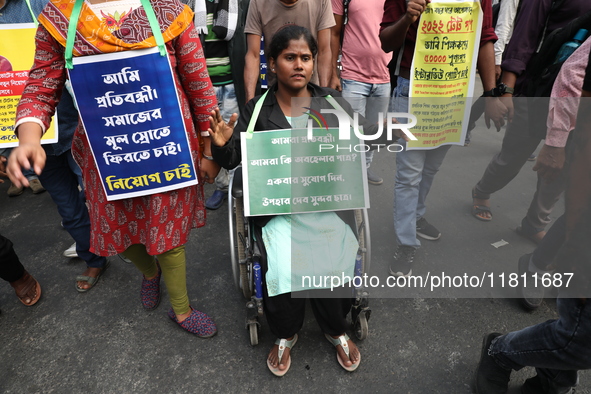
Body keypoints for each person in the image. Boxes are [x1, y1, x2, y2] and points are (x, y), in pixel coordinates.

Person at [8, 0, 219, 336]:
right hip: (105, 157)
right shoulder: (60, 17)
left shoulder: (170, 9)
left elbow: (198, 83)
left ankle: (181, 310)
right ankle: (150, 273)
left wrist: (211, 148)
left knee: (168, 238)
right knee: (119, 235)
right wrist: (29, 138)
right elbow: (39, 87)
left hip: (167, 147)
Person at [210, 26, 404, 375]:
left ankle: (334, 329)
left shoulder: (332, 103)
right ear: (272, 64)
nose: (299, 65)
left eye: (306, 57)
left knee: (336, 255)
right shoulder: (256, 111)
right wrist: (223, 145)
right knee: (283, 264)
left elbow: (362, 138)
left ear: (314, 62)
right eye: (290, 57)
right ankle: (286, 333)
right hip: (279, 213)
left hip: (327, 208)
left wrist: (387, 129)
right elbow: (232, 161)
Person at [473, 45, 591, 394]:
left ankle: (554, 373)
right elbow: (561, 66)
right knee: (578, 336)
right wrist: (502, 90)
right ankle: (503, 352)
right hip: (535, 99)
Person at [380, 0, 505, 277]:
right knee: (409, 173)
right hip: (411, 87)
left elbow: (485, 39)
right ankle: (406, 242)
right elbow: (386, 41)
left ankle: (414, 216)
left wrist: (491, 94)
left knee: (431, 167)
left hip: (454, 91)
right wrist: (407, 18)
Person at [1, 0, 111, 292]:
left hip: (74, 124)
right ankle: (94, 258)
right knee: (68, 208)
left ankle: (122, 244)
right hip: (30, 141)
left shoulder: (38, 4)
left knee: (101, 194)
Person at [470, 0, 591, 242]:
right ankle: (482, 190)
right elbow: (523, 39)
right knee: (513, 157)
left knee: (559, 168)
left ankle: (535, 222)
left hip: (579, 100)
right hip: (536, 90)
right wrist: (506, 91)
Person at [182, 0, 250, 210]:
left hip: (232, 84)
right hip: (205, 88)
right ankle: (222, 188)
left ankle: (240, 189)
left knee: (234, 140)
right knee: (211, 139)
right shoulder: (188, 4)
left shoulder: (240, 3)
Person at [330, 0, 392, 185]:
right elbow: (334, 33)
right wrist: (333, 72)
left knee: (374, 130)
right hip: (353, 75)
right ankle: (345, 174)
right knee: (351, 132)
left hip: (383, 75)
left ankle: (364, 169)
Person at [243, 0, 335, 103]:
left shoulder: (321, 2)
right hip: (276, 89)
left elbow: (324, 51)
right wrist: (249, 102)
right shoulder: (258, 2)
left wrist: (322, 94)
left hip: (311, 88)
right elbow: (253, 55)